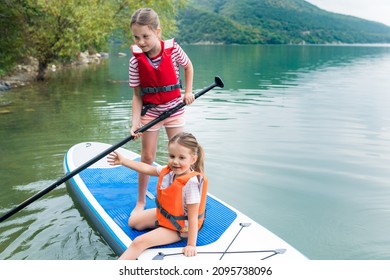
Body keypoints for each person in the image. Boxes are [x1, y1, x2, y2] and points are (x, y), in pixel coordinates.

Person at [128, 7, 195, 214]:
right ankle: (141, 201)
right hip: (151, 113)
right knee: (147, 156)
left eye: (145, 36)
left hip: (174, 108)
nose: (141, 42)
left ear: (158, 32)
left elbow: (188, 66)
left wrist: (188, 92)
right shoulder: (134, 62)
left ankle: (186, 198)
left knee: (181, 156)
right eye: (136, 37)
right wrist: (135, 123)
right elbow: (138, 95)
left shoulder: (173, 50)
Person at [107, 132, 207, 260]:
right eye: (172, 156)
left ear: (193, 159)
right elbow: (147, 169)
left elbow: (192, 218)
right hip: (167, 215)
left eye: (182, 158)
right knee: (133, 222)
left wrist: (191, 245)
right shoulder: (169, 172)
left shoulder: (191, 184)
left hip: (182, 227)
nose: (175, 162)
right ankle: (160, 226)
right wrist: (123, 161)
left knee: (139, 242)